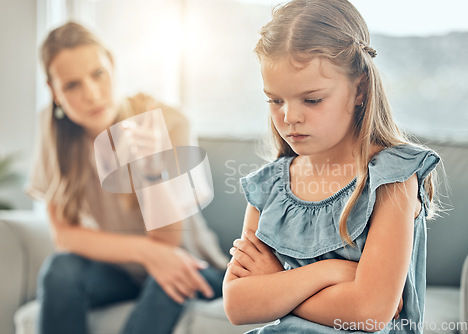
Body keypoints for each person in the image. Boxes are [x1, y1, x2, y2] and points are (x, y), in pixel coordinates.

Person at [222, 0, 441, 333]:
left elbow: (370, 312)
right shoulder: (269, 187)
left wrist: (276, 285)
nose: (289, 117)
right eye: (275, 100)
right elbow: (238, 305)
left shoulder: (392, 177)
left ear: (360, 89)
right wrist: (328, 273)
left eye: (312, 99)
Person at [26, 22, 228, 334]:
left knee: (169, 278)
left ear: (113, 67)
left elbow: (168, 242)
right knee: (60, 268)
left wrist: (149, 168)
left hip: (192, 264)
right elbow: (64, 236)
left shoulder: (168, 121)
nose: (92, 95)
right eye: (72, 86)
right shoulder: (53, 130)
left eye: (98, 74)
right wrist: (145, 253)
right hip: (125, 271)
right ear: (53, 92)